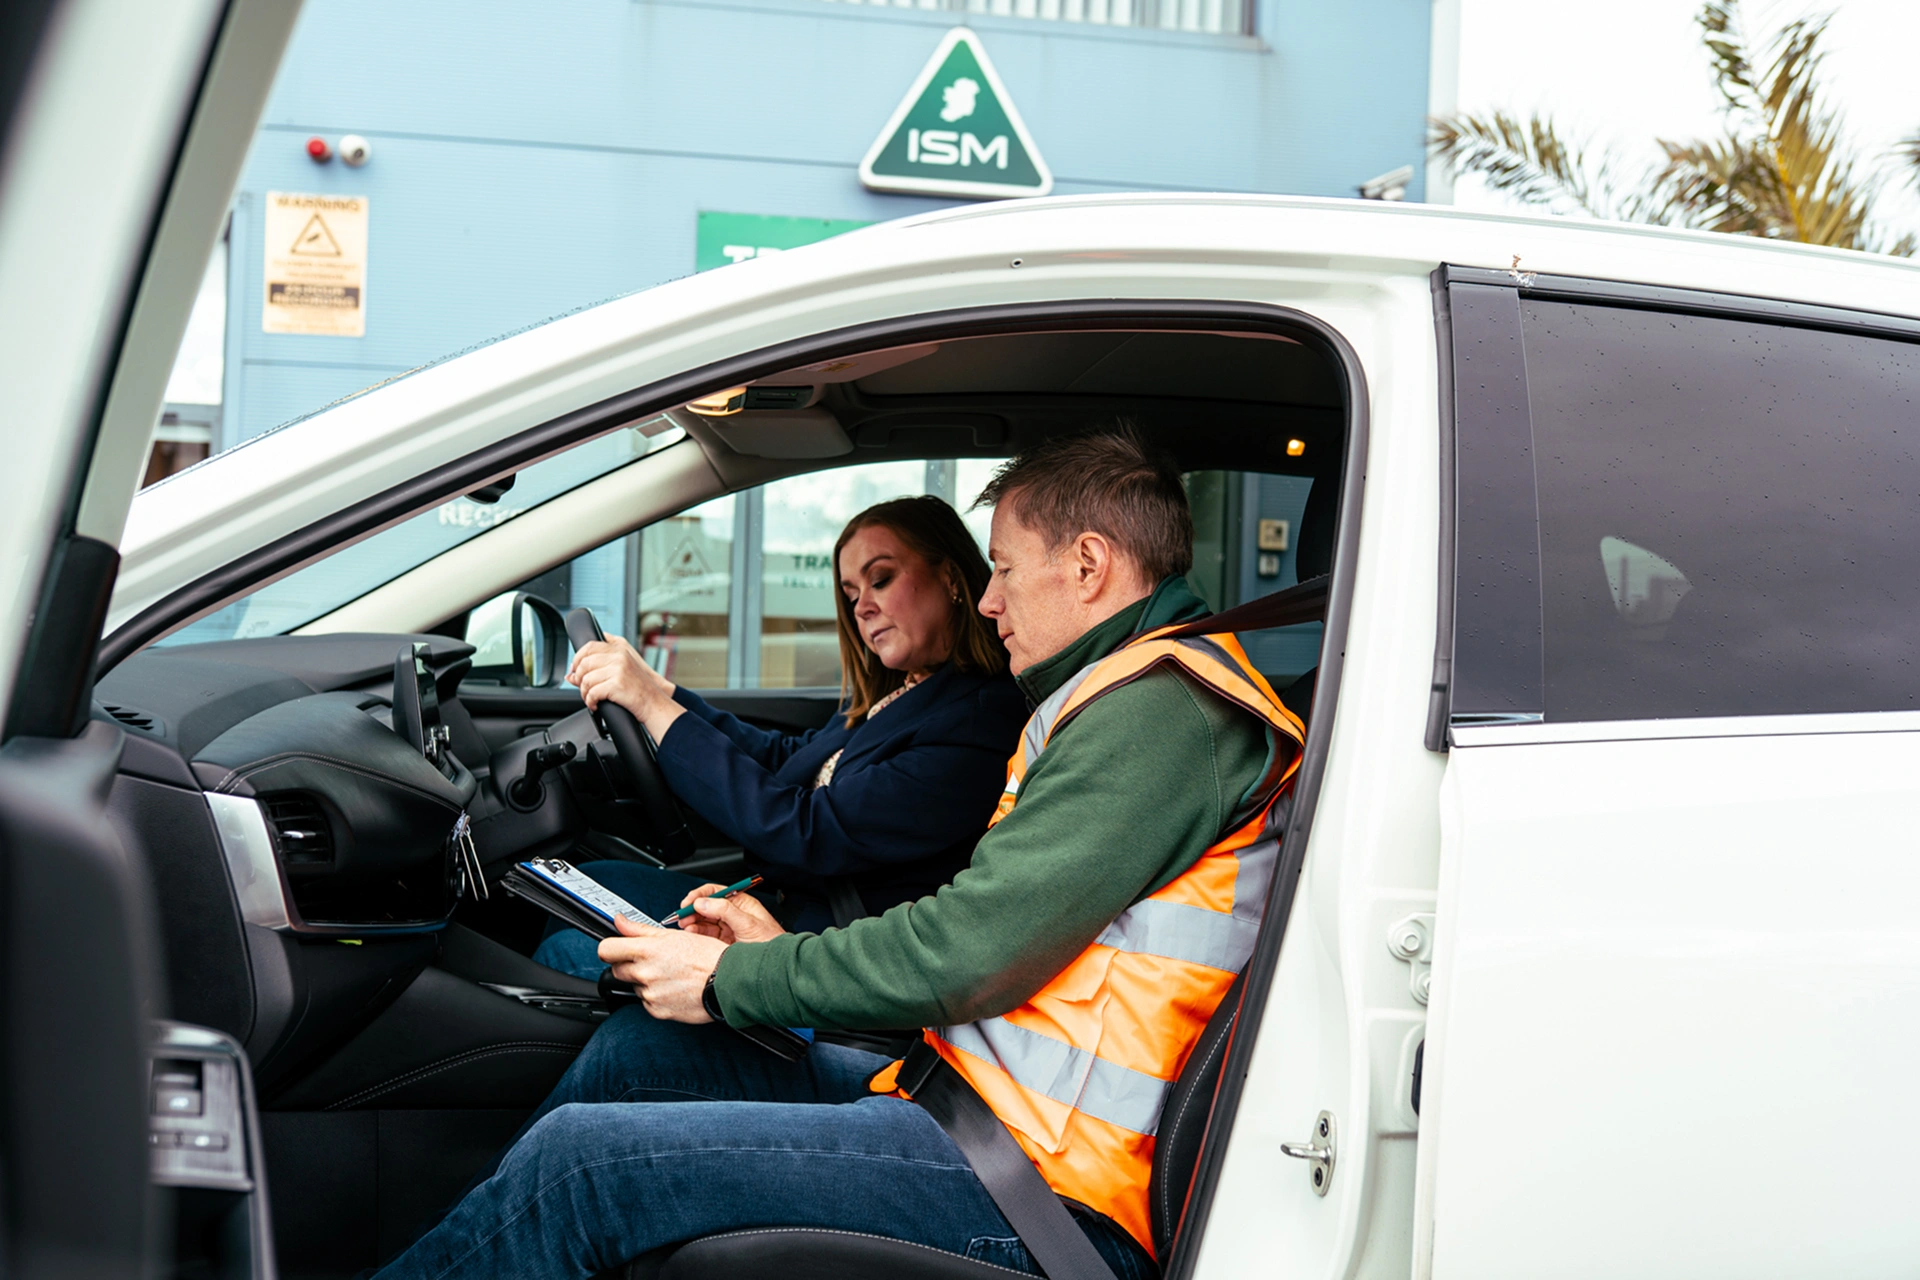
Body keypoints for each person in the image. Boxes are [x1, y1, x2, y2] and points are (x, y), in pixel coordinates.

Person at [373, 429, 1306, 1280]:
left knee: (586, 1166)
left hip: (1040, 1186)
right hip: (964, 1101)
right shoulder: (1118, 696)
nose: (990, 599)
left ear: (1090, 565)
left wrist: (735, 977)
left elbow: (963, 950)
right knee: (628, 1064)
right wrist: (766, 943)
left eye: (1007, 573)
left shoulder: (1158, 714)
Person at [533, 495, 1026, 978]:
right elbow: (788, 759)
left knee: (569, 950)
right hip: (790, 914)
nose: (863, 608)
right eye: (852, 595)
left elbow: (807, 829)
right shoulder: (905, 691)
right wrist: (663, 691)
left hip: (828, 957)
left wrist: (653, 708)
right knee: (585, 889)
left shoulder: (978, 720)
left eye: (881, 579)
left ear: (951, 577)